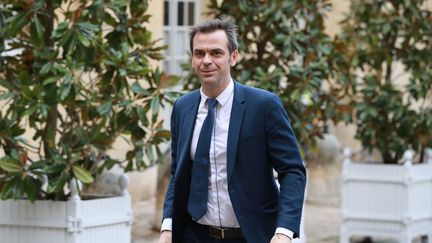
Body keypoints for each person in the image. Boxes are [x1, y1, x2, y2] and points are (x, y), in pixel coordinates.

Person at [159, 18, 306, 243]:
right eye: (199, 53)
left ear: (233, 57)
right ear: (192, 59)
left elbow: (293, 171)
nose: (206, 60)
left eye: (216, 53)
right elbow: (178, 175)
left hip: (252, 235)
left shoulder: (264, 105)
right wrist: (168, 226)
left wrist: (284, 232)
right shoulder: (182, 108)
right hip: (195, 235)